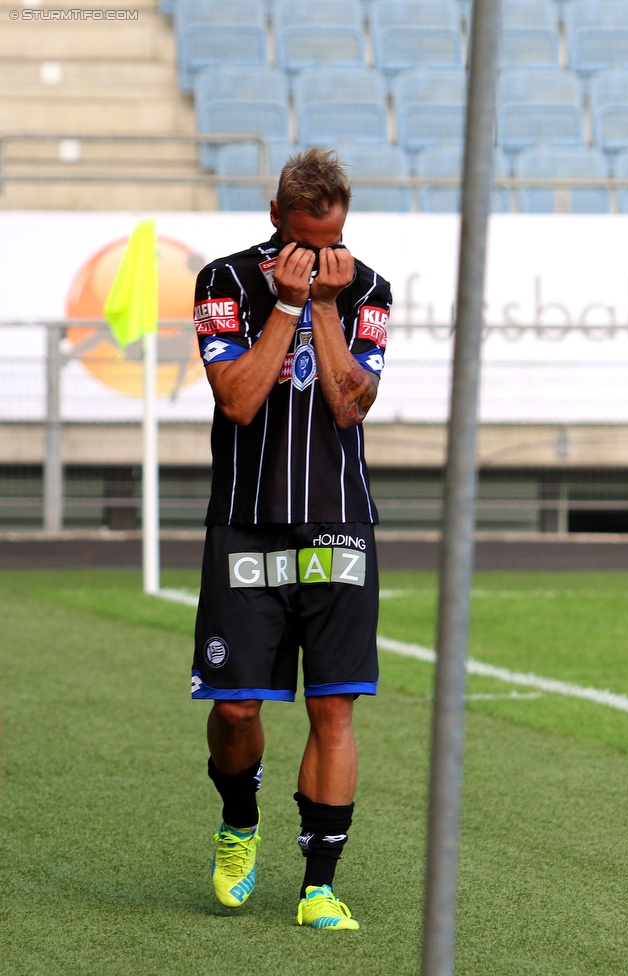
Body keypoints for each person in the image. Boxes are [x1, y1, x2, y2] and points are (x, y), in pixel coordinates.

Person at [191, 147, 391, 931]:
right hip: (245, 519)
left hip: (338, 520)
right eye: (305, 243)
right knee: (237, 711)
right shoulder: (224, 282)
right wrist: (284, 306)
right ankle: (240, 819)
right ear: (276, 219)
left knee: (333, 710)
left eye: (331, 241)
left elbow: (350, 407)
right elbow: (238, 401)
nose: (319, 259)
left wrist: (328, 309)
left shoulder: (367, 287)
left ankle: (317, 887)